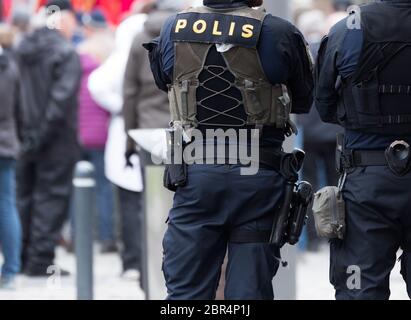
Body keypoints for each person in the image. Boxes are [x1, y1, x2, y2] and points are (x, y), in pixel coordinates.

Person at [148, 0, 313, 299]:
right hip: (258, 177)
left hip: (196, 175)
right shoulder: (278, 31)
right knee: (249, 292)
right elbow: (303, 100)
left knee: (186, 293)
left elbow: (164, 81)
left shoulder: (175, 26)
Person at [315, 0, 411, 299]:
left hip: (367, 179)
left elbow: (325, 106)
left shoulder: (347, 30)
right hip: (367, 176)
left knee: (360, 287)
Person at [16, 0, 82, 276]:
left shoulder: (22, 48)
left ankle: (19, 256)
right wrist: (42, 133)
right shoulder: (65, 52)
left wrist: (26, 132)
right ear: (63, 19)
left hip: (22, 135)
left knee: (24, 196)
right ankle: (40, 260)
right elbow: (62, 99)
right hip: (56, 138)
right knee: (51, 197)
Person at [88, 6, 149, 284]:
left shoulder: (124, 57)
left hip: (129, 135)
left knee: (130, 203)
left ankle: (133, 261)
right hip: (158, 136)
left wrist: (123, 109)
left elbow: (98, 84)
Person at [76, 9, 117, 253]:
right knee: (103, 185)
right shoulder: (110, 55)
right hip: (103, 131)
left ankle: (79, 235)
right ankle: (106, 235)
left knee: (79, 184)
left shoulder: (78, 56)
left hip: (79, 131)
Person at [123, 1, 175, 165]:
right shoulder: (189, 35)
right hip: (183, 131)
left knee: (152, 189)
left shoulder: (140, 38)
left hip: (148, 131)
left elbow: (130, 92)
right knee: (181, 188)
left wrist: (129, 141)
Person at [0, 24, 21, 290]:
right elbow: (22, 108)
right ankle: (12, 269)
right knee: (6, 205)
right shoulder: (11, 66)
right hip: (6, 142)